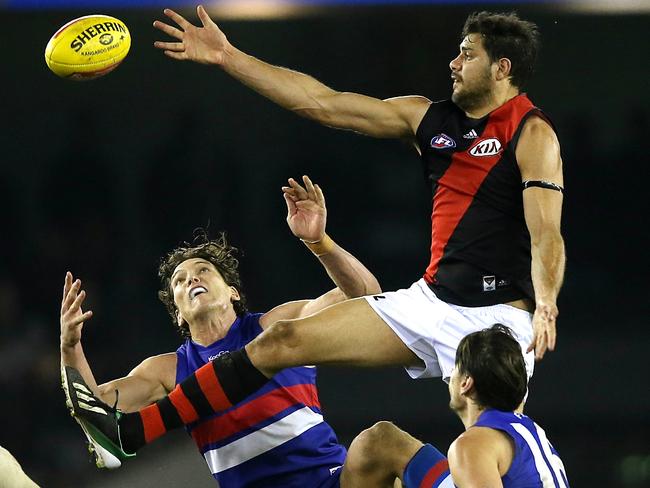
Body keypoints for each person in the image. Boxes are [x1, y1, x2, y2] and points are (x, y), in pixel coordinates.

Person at [64, 10, 566, 463]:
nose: (453, 62)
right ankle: (131, 434)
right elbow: (321, 103)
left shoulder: (532, 132)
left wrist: (546, 302)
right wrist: (227, 56)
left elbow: (547, 234)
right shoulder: (428, 118)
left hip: (501, 320)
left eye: (467, 54)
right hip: (431, 301)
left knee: (486, 445)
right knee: (279, 340)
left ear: (502, 68)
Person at [61, 176, 382, 486]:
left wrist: (319, 242)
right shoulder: (168, 370)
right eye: (179, 281)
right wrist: (70, 346)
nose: (191, 280)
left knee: (383, 441)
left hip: (331, 482)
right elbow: (96, 410)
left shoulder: (276, 327)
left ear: (233, 292)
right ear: (178, 316)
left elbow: (366, 296)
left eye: (203, 271)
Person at [342, 325, 570, 488]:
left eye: (455, 368)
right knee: (382, 440)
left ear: (465, 383)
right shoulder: (530, 431)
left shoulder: (472, 446)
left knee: (379, 443)